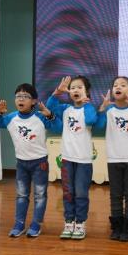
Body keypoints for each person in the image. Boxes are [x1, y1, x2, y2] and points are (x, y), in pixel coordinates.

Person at [0, 83, 62, 238]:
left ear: (33, 101)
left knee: (40, 195)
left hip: (40, 163)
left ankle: (36, 224)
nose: (21, 99)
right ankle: (19, 224)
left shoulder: (40, 116)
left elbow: (58, 128)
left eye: (25, 96)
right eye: (18, 96)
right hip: (21, 163)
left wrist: (49, 114)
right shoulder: (11, 118)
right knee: (21, 195)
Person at [95, 76, 128, 241]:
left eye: (123, 85)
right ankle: (116, 227)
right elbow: (99, 127)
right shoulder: (109, 110)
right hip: (113, 158)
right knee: (115, 194)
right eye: (115, 85)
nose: (118, 87)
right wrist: (102, 109)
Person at [46, 75, 97, 240]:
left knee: (81, 193)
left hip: (84, 160)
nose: (75, 90)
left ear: (86, 91)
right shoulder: (65, 109)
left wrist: (86, 103)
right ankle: (69, 221)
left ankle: (80, 222)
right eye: (73, 88)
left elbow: (91, 120)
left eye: (80, 87)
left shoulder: (89, 108)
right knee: (68, 192)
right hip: (67, 159)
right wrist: (57, 92)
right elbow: (50, 107)